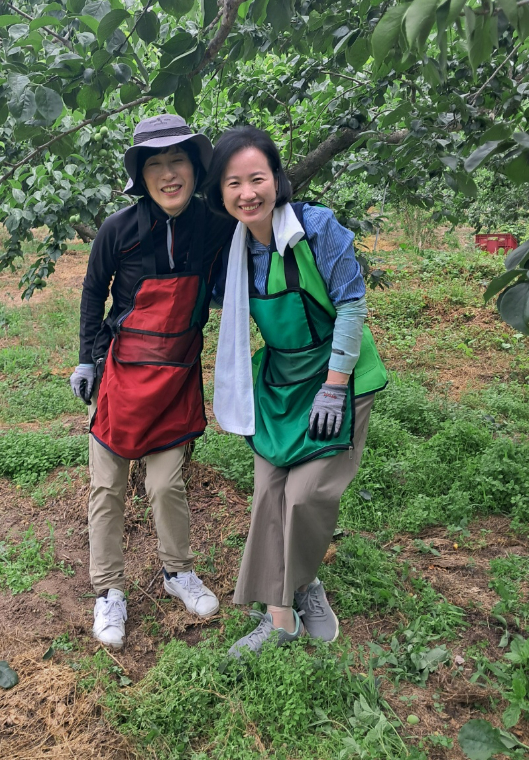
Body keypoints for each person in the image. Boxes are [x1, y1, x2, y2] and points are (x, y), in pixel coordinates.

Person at [204, 125, 387, 657]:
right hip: (282, 383)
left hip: (339, 375)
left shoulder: (316, 228)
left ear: (276, 179)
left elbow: (351, 303)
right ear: (221, 194)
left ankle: (301, 583)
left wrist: (335, 386)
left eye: (256, 178)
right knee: (269, 493)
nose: (247, 193)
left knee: (306, 495)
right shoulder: (233, 256)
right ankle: (282, 615)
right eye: (233, 183)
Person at [70, 114, 234, 651]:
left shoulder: (214, 225)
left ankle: (177, 573)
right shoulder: (118, 229)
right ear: (140, 176)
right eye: (155, 164)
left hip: (177, 377)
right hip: (122, 375)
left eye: (177, 161)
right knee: (107, 486)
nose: (168, 174)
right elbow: (95, 294)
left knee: (166, 484)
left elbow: (257, 224)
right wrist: (88, 361)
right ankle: (108, 591)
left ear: (194, 168)